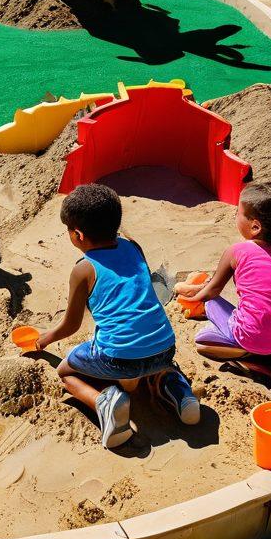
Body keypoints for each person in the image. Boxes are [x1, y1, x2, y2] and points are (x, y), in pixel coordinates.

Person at [36, 184, 200, 449]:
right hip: (165, 348)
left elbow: (71, 325)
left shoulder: (83, 270)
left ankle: (105, 402)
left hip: (118, 358)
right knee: (150, 361)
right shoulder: (134, 248)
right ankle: (178, 390)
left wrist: (45, 339)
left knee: (66, 372)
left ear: (77, 234)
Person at [175, 181, 271, 404]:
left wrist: (188, 296)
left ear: (255, 226)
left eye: (239, 212)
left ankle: (256, 360)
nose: (235, 216)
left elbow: (212, 291)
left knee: (202, 340)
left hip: (252, 336)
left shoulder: (237, 251)